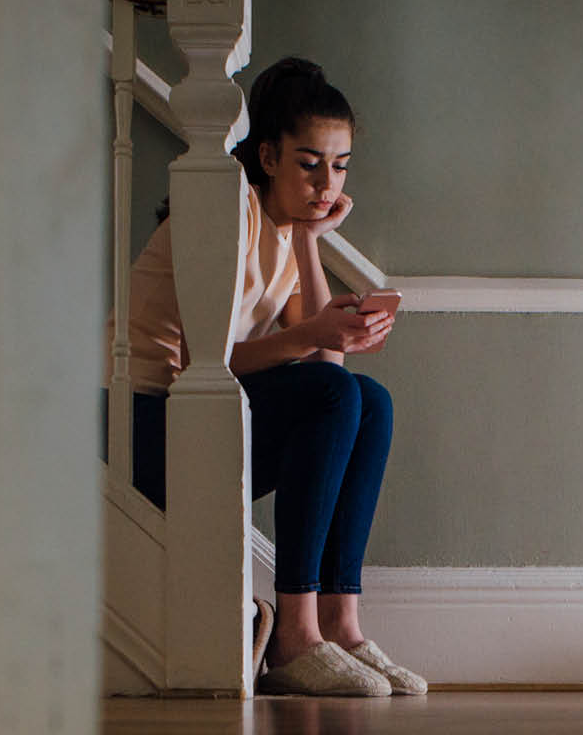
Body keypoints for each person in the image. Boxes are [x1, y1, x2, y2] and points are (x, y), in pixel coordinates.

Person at [112, 57, 426, 697]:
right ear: (269, 157)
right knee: (341, 395)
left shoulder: (282, 238)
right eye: (310, 163)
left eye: (339, 167)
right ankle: (296, 635)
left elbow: (328, 372)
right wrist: (314, 334)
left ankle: (339, 623)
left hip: (191, 419)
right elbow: (203, 364)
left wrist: (311, 238)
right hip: (134, 422)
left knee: (371, 401)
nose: (326, 182)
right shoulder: (228, 210)